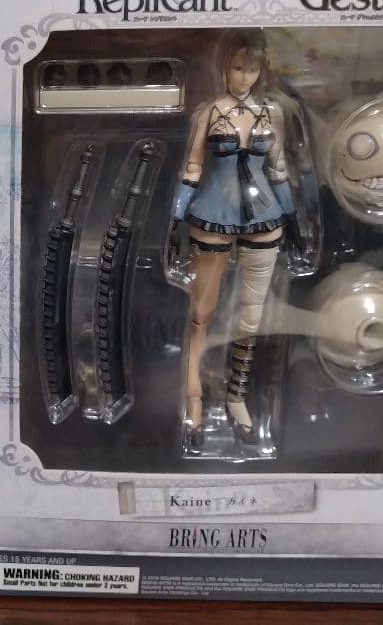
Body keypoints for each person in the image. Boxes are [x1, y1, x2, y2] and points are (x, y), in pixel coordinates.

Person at [167, 29, 303, 452]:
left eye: (252, 68)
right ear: (224, 67)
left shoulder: (272, 113)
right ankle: (193, 397)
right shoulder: (208, 113)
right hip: (212, 215)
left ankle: (237, 396)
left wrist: (295, 219)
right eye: (237, 67)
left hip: (265, 217)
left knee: (251, 316)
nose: (244, 77)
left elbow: (277, 168)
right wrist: (174, 220)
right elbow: (192, 168)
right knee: (200, 315)